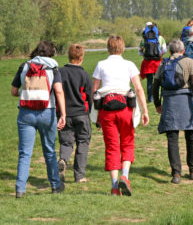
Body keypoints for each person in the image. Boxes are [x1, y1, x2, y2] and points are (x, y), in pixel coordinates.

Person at [92, 35, 149, 196]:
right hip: (125, 107)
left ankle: (114, 186)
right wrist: (145, 110)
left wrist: (95, 114)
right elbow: (138, 88)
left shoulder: (101, 64)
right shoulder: (129, 64)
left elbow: (94, 90)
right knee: (127, 142)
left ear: (108, 48)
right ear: (123, 48)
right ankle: (125, 175)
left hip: (106, 108)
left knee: (111, 146)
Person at [11, 40, 66, 198]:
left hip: (25, 113)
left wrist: (25, 93)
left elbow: (14, 91)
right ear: (50, 53)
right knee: (49, 151)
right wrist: (63, 114)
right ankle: (55, 186)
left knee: (24, 153)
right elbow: (59, 91)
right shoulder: (53, 68)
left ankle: (20, 189)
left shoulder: (24, 66)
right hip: (47, 112)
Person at [152, 40, 193, 184]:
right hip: (186, 102)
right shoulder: (189, 61)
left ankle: (176, 173)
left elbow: (155, 86)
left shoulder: (163, 63)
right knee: (190, 135)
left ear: (170, 51)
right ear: (183, 50)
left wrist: (157, 104)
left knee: (172, 138)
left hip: (169, 102)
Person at [58, 44, 92, 183]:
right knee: (83, 142)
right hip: (81, 114)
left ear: (69, 56)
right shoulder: (84, 74)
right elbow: (89, 95)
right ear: (81, 57)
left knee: (66, 142)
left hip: (65, 114)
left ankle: (63, 160)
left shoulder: (60, 72)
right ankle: (79, 175)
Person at [139, 22, 167, 102]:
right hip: (158, 62)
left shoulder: (144, 39)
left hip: (148, 63)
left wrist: (145, 54)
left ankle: (150, 98)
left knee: (149, 81)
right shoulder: (160, 38)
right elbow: (164, 49)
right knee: (159, 80)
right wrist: (160, 54)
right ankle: (160, 97)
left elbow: (139, 52)